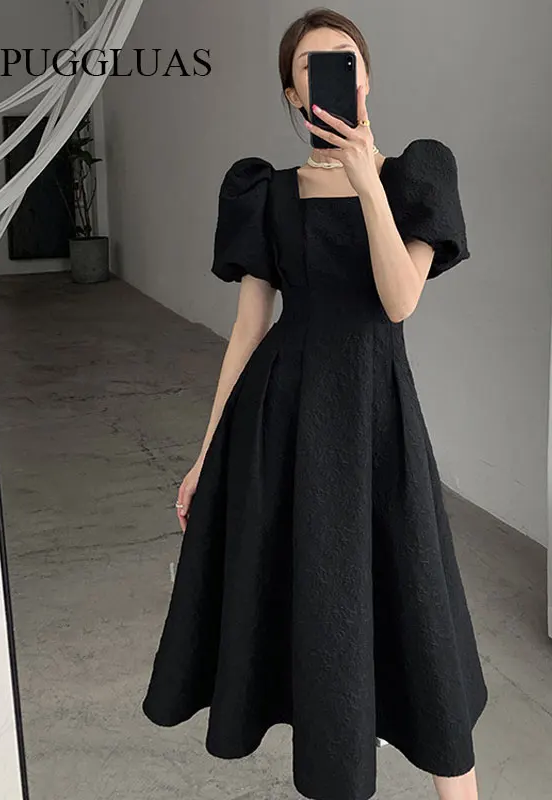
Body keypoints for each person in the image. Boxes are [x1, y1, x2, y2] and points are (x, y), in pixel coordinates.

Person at [141, 8, 488, 800]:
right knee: (320, 619)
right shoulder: (265, 193)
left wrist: (366, 179)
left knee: (420, 620)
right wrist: (204, 455)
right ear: (293, 94)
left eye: (346, 59)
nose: (332, 72)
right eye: (311, 65)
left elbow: (399, 301)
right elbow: (247, 330)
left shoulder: (417, 174)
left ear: (366, 78)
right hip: (285, 423)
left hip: (377, 425)